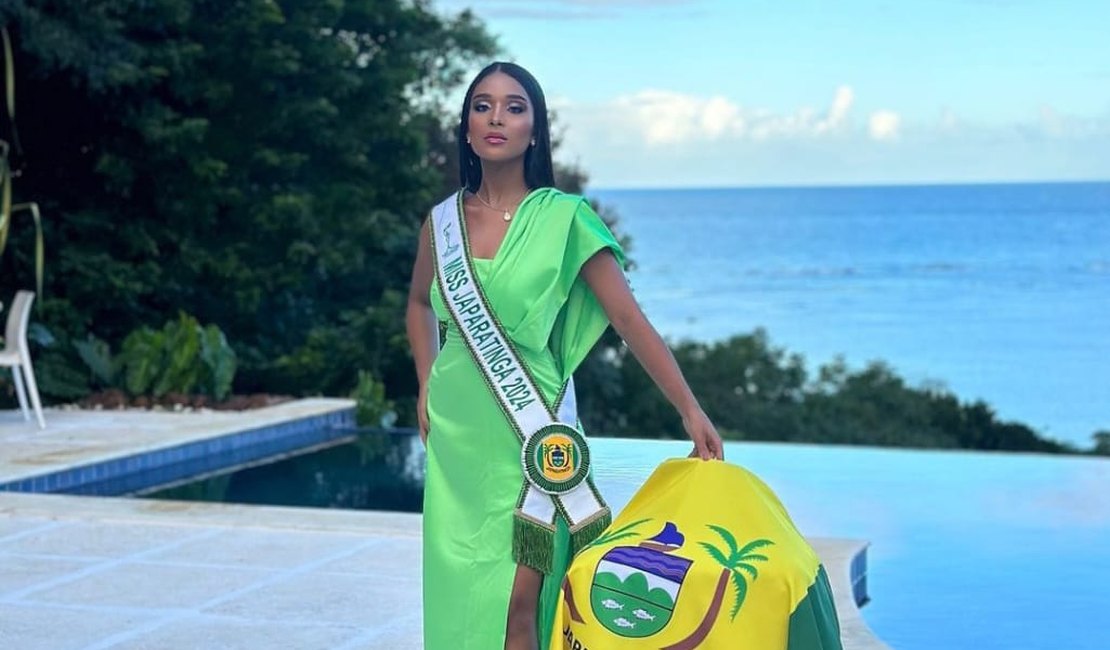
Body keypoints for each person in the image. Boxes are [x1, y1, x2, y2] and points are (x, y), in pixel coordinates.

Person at [406, 61, 724, 650]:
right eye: (482, 105)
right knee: (460, 596)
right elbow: (419, 307)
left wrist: (689, 408)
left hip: (530, 430)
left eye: (514, 106)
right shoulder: (441, 224)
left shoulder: (566, 220)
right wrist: (426, 382)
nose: (497, 116)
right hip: (457, 439)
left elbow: (629, 320)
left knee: (517, 607)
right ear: (467, 127)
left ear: (535, 129)